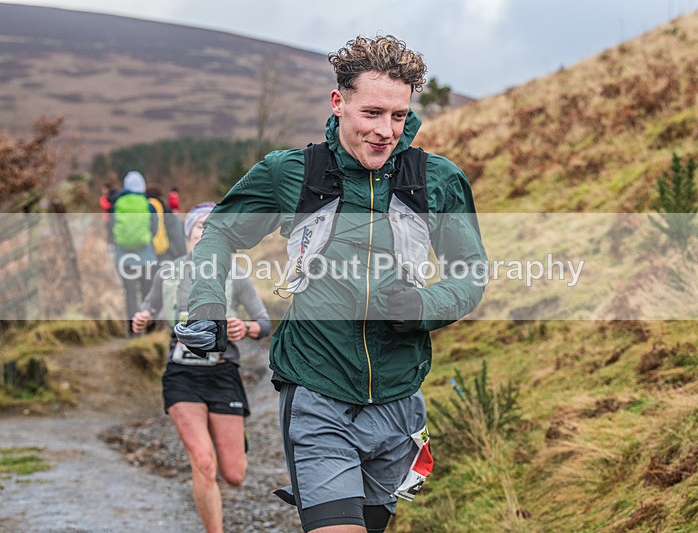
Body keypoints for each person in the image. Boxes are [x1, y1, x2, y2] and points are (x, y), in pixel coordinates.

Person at [177, 35, 487, 532]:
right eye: (372, 113)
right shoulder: (292, 173)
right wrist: (208, 305)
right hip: (316, 391)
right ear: (338, 103)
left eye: (398, 116)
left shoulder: (437, 180)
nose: (385, 131)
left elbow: (472, 272)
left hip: (397, 399)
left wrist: (424, 306)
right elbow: (218, 233)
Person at [132, 202, 271, 533]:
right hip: (182, 376)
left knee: (234, 474)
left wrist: (246, 329)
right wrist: (142, 318)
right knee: (204, 463)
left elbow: (264, 324)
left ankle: (232, 439)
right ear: (190, 233)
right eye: (200, 226)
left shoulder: (235, 274)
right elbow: (148, 306)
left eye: (214, 226)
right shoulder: (168, 273)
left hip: (223, 374)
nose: (206, 231)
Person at [109, 170, 158, 335]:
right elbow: (155, 229)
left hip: (124, 258)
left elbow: (111, 229)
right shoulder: (148, 205)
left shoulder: (117, 205)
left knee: (130, 293)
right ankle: (150, 330)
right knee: (148, 293)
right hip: (146, 257)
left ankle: (132, 330)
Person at [145, 184, 187, 263]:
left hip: (145, 256)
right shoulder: (168, 214)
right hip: (165, 254)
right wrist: (183, 258)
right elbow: (178, 237)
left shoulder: (141, 210)